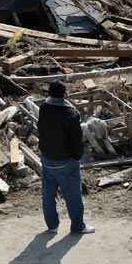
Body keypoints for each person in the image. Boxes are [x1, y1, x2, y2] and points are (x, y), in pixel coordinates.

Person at [38, 81, 95, 235]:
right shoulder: (71, 113)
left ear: (49, 93)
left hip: (47, 159)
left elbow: (41, 131)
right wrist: (77, 157)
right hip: (66, 161)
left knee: (48, 194)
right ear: (64, 94)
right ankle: (77, 226)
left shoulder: (43, 108)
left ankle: (52, 226)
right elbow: (77, 140)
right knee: (73, 195)